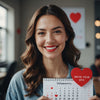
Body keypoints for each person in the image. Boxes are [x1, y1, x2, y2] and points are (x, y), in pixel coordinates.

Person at [6, 4, 99, 100]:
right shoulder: (19, 81)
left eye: (57, 31)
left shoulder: (83, 79)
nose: (49, 40)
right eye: (41, 33)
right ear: (34, 38)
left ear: (67, 35)